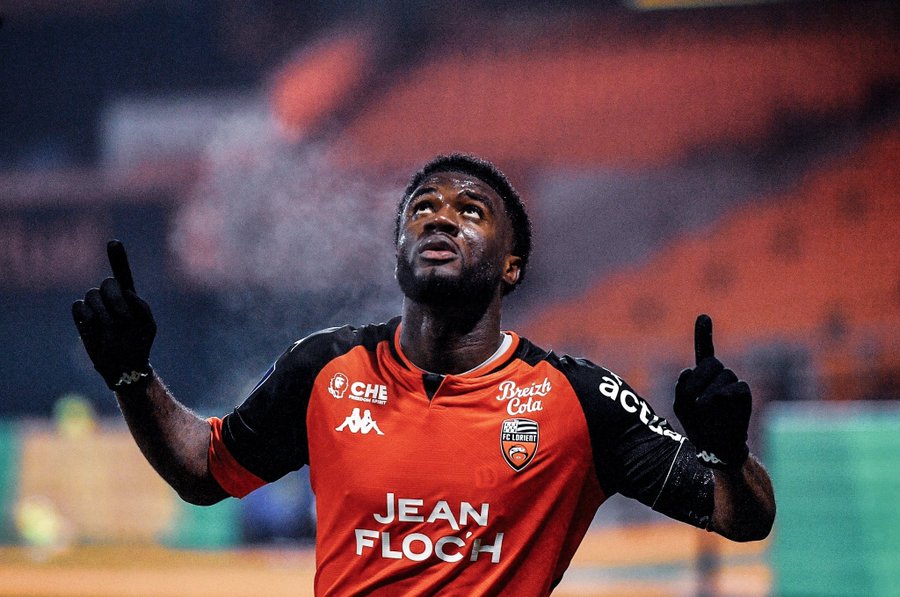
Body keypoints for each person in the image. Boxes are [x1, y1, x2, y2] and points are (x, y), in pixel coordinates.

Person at [72, 153, 775, 595]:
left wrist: (727, 453)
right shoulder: (325, 367)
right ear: (399, 252)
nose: (440, 219)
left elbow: (743, 517)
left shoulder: (578, 398)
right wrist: (131, 375)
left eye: (471, 211)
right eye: (423, 210)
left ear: (512, 267)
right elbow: (205, 470)